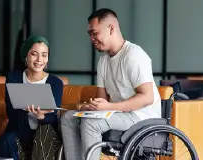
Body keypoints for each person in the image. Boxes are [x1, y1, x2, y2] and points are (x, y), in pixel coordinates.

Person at [60, 8, 162, 160]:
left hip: (141, 116)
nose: (92, 39)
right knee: (68, 118)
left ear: (111, 28)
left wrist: (108, 107)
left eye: (95, 33)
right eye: (90, 34)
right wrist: (92, 106)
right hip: (119, 114)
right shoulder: (103, 61)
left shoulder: (133, 55)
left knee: (91, 122)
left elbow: (147, 97)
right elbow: (102, 99)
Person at [0, 35, 64, 160]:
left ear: (47, 59)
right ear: (26, 56)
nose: (39, 60)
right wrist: (24, 108)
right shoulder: (13, 78)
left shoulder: (56, 83)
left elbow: (53, 118)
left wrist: (41, 116)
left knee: (42, 137)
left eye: (44, 55)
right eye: (34, 54)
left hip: (45, 131)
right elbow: (11, 113)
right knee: (6, 141)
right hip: (20, 129)